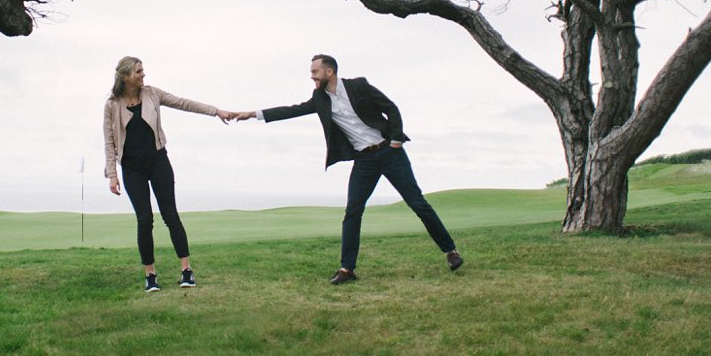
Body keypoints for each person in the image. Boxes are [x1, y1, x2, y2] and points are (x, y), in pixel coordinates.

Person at [234, 54, 463, 284]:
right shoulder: (320, 98)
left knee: (417, 203)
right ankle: (347, 270)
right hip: (364, 161)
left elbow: (391, 108)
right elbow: (292, 110)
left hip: (390, 153)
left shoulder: (358, 86)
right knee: (352, 212)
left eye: (315, 72)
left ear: (329, 72)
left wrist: (396, 141)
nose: (312, 76)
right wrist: (254, 114)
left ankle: (450, 251)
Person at [104, 56, 236, 292]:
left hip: (158, 161)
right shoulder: (112, 104)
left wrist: (216, 111)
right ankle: (150, 275)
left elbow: (183, 103)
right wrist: (112, 175)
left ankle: (186, 270)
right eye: (138, 71)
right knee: (144, 220)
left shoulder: (152, 94)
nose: (143, 75)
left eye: (143, 70)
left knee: (170, 215)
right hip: (132, 168)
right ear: (125, 76)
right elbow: (109, 142)